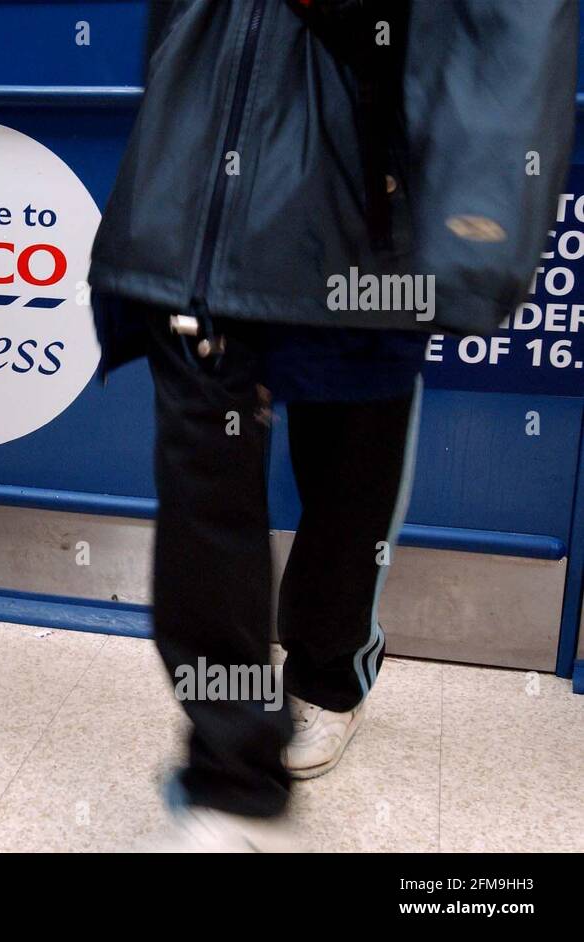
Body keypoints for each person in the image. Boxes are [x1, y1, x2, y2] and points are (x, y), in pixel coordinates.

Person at [89, 0, 574, 850]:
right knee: (205, 474)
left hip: (361, 191)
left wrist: (477, 208)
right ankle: (234, 778)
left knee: (352, 463)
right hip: (202, 185)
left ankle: (328, 667)